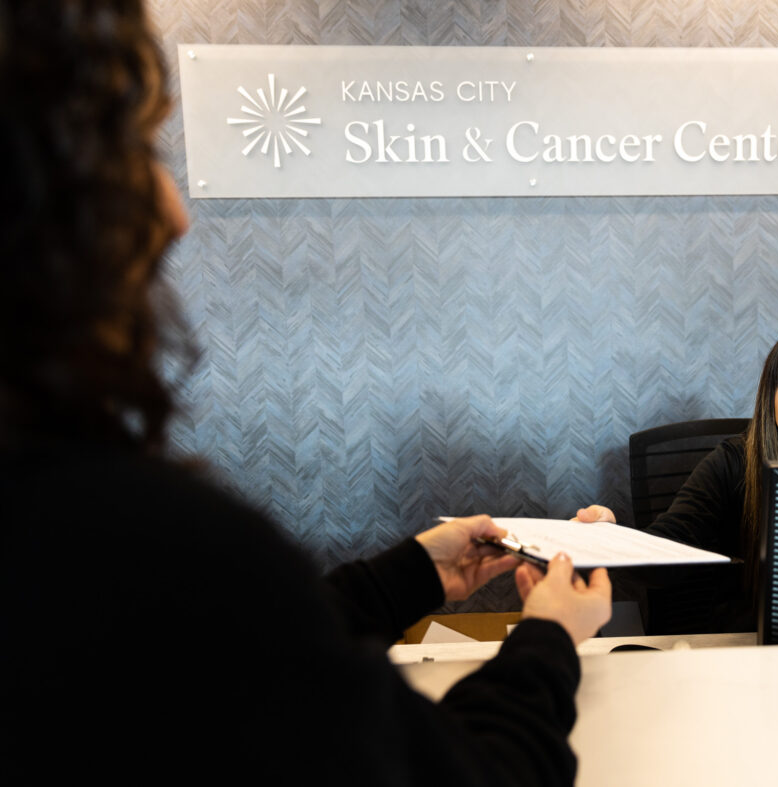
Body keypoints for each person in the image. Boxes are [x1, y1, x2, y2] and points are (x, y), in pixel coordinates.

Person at [0, 2, 611, 784]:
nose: (175, 213)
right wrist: (549, 640)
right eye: (134, 153)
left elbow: (232, 654)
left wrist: (412, 575)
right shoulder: (142, 545)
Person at [578, 322, 778, 631]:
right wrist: (611, 537)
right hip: (749, 656)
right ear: (771, 398)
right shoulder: (732, 464)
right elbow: (667, 551)